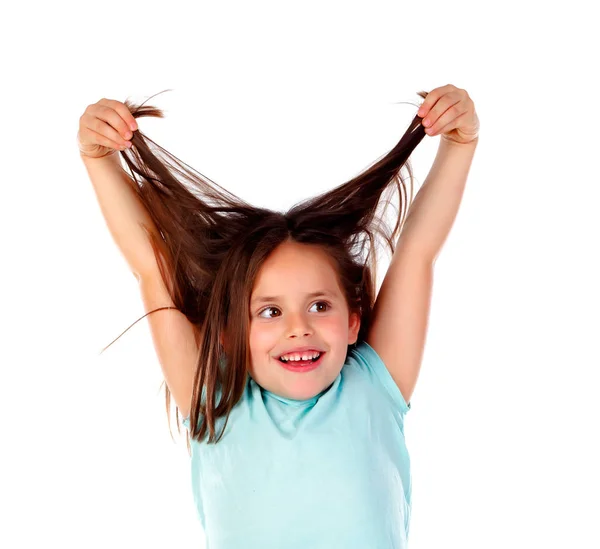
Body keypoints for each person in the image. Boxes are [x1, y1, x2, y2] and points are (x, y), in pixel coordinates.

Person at [78, 86, 479, 548]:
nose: (298, 327)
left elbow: (416, 253)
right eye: (269, 311)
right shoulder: (214, 402)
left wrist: (458, 145)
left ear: (353, 321)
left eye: (319, 305)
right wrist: (99, 159)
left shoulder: (374, 385)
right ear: (228, 334)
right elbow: (152, 267)